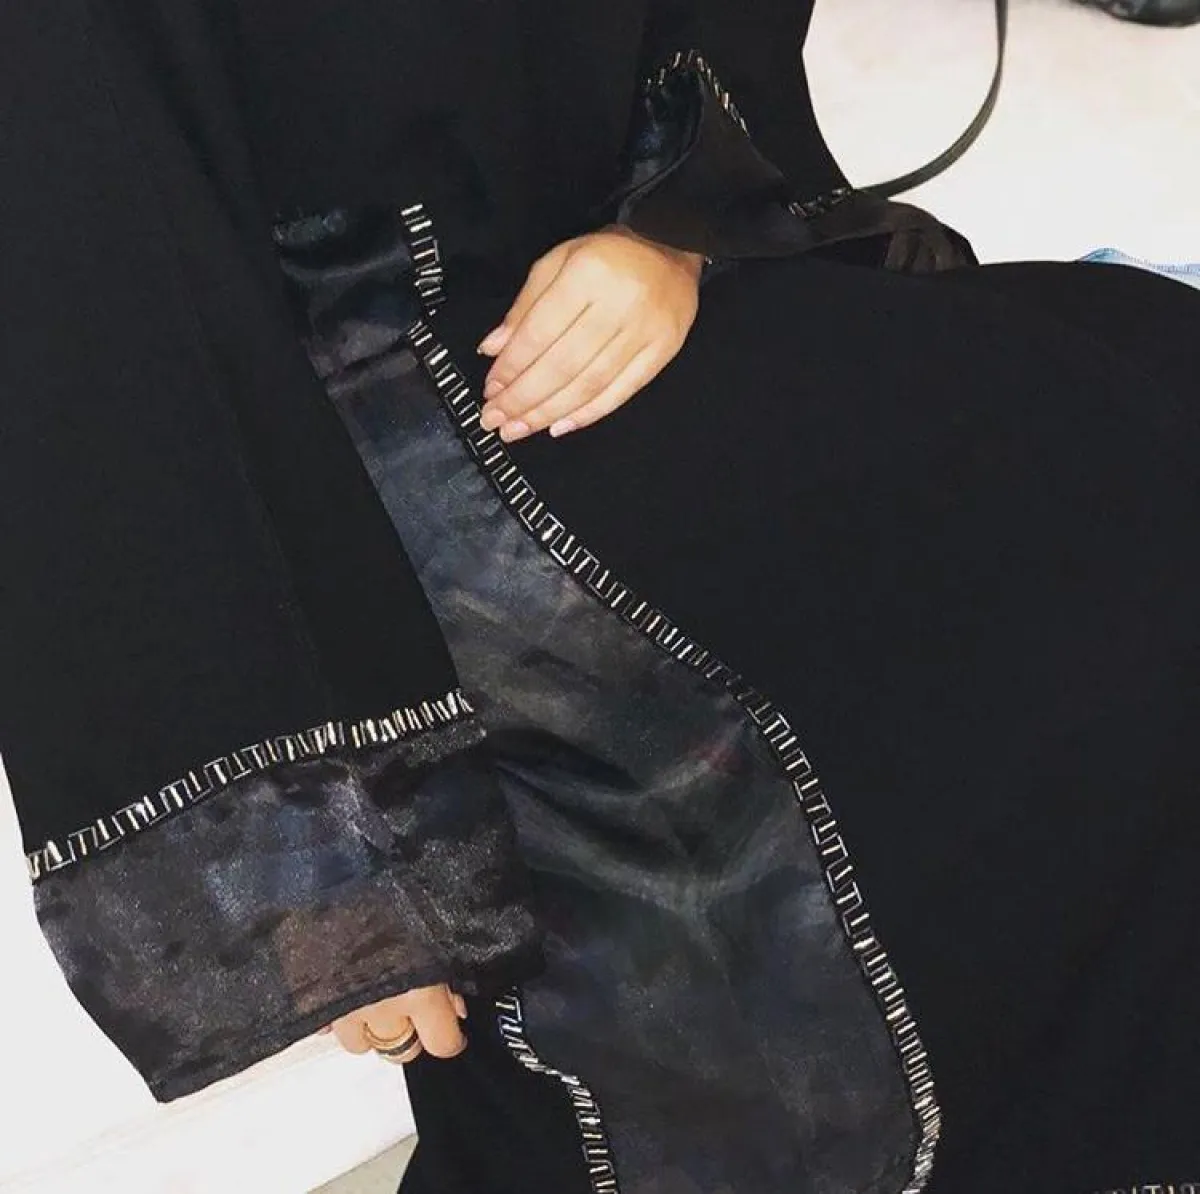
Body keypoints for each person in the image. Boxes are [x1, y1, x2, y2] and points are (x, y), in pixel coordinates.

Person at [1, 3, 1197, 1194]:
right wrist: (325, 877)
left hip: (604, 306)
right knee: (692, 884)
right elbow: (85, 363)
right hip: (318, 474)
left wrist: (668, 227)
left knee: (1134, 416)